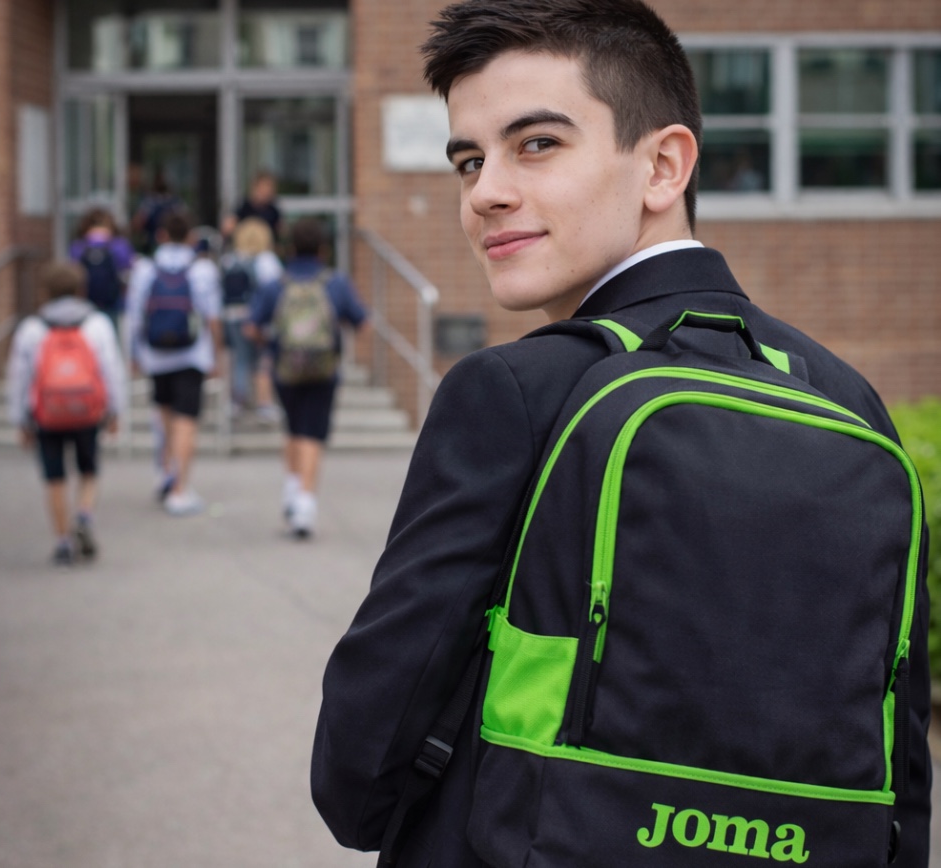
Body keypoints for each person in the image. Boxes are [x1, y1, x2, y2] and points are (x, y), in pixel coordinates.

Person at [310, 2, 932, 867]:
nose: (485, 192)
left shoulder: (515, 391)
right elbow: (898, 758)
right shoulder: (846, 400)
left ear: (664, 166)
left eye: (537, 144)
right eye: (469, 160)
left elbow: (359, 767)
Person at [247, 217, 366, 538]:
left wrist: (271, 344)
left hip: (285, 368)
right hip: (324, 369)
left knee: (293, 428)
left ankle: (291, 488)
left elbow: (251, 326)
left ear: (290, 249)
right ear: (323, 250)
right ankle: (304, 505)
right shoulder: (335, 283)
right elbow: (361, 321)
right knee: (312, 433)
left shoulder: (277, 284)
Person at [6, 261, 125, 565]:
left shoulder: (32, 328)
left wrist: (20, 418)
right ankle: (84, 514)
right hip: (87, 411)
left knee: (54, 478)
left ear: (45, 292)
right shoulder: (96, 324)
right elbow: (111, 369)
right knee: (88, 470)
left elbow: (19, 376)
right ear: (80, 289)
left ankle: (62, 542)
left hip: (47, 413)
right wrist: (115, 410)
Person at [126, 210, 223, 516]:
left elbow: (134, 315)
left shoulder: (145, 268)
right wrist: (217, 355)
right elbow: (212, 318)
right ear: (191, 237)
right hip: (191, 355)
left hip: (156, 355)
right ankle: (180, 489)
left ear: (161, 235)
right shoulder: (202, 269)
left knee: (165, 416)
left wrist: (133, 354)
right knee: (186, 422)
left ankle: (167, 472)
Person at [218, 216, 284, 416]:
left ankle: (238, 400)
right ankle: (264, 403)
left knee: (240, 358)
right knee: (263, 360)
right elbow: (274, 290)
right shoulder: (265, 260)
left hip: (231, 316)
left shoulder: (229, 259)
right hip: (256, 317)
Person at [68, 207, 136, 336]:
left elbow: (73, 273)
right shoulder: (120, 245)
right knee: (111, 336)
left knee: (87, 338)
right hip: (113, 303)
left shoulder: (78, 246)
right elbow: (129, 272)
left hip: (85, 303)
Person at [221, 170, 283, 244]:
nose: (266, 192)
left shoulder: (273, 211)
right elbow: (228, 228)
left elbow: (280, 234)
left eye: (269, 188)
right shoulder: (244, 207)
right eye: (263, 188)